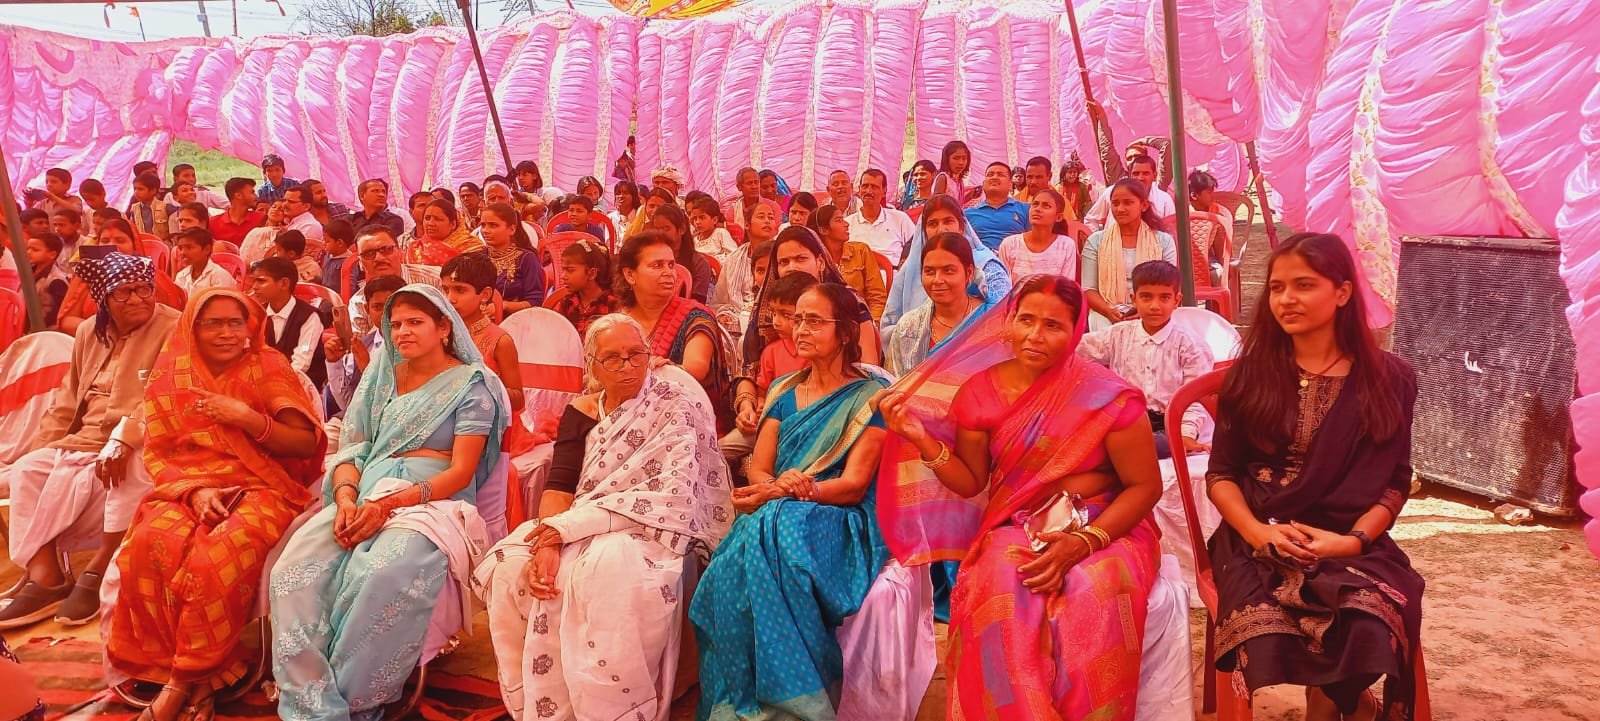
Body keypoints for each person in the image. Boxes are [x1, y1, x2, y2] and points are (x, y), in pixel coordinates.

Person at [877, 275, 1164, 721]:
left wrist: (1084, 542)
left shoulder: (1109, 398)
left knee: (1093, 592)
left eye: (1053, 325)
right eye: (1026, 320)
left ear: (1076, 330)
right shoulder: (980, 392)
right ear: (1007, 322)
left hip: (1106, 523)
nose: (1035, 335)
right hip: (1020, 522)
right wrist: (921, 438)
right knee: (998, 590)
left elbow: (1145, 487)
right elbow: (971, 481)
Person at [1205, 233, 1422, 721]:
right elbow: (1221, 475)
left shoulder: (1391, 380)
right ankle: (1349, 704)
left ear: (1342, 292)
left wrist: (1351, 542)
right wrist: (1258, 533)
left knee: (1365, 619)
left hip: (1351, 539)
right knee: (1268, 631)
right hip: (1256, 539)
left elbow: (1395, 481)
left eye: (1303, 285)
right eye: (1277, 287)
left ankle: (1328, 705)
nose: (1286, 299)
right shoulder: (1249, 376)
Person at [474, 314, 734, 721]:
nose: (626, 366)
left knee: (606, 569)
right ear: (593, 365)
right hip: (578, 520)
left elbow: (672, 495)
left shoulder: (674, 405)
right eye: (612, 358)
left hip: (652, 527)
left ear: (649, 355)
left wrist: (567, 530)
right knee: (510, 567)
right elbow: (559, 486)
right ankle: (547, 704)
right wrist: (548, 542)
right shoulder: (581, 411)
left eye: (635, 355)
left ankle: (613, 709)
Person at [270, 285, 509, 721]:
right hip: (363, 492)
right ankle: (311, 704)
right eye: (395, 324)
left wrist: (389, 506)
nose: (403, 332)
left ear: (444, 327)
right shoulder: (382, 378)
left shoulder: (472, 385)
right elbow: (353, 449)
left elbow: (461, 472)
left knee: (381, 572)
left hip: (430, 501)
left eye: (415, 322)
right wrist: (346, 498)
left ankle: (352, 705)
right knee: (293, 570)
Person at [104, 288, 327, 721]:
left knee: (216, 558)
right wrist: (194, 490)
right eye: (214, 323)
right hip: (186, 488)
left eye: (235, 322)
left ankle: (180, 682)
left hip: (262, 486)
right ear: (193, 326)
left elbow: (303, 444)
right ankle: (203, 681)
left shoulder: (267, 366)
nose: (227, 333)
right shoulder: (171, 376)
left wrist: (247, 418)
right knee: (150, 544)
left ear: (249, 326)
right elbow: (160, 455)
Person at [691, 283, 893, 721]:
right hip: (778, 506)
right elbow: (760, 470)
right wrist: (778, 487)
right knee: (724, 572)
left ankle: (801, 704)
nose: (800, 330)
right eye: (797, 320)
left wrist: (792, 490)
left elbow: (854, 484)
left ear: (844, 332)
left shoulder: (868, 398)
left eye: (814, 321)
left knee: (782, 528)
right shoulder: (784, 390)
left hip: (839, 515)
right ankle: (737, 702)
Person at [0, 253, 181, 629]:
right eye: (124, 292)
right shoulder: (87, 331)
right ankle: (47, 576)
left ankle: (98, 566)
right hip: (84, 438)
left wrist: (124, 438)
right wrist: (44, 446)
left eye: (144, 289)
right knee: (28, 469)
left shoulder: (174, 326)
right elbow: (67, 401)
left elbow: (168, 395)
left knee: (131, 466)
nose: (137, 299)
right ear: (104, 298)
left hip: (144, 434)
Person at [1077, 260, 1212, 459]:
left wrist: (1186, 435)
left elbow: (1195, 398)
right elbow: (1076, 349)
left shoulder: (1192, 346)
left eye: (1164, 297)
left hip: (1169, 426)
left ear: (1177, 301)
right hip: (1125, 421)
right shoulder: (1118, 335)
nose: (1154, 306)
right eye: (1146, 297)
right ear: (1134, 299)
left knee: (1144, 445)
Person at [615, 231, 732, 429]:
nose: (669, 272)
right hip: (623, 420)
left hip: (688, 424)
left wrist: (664, 372)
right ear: (630, 275)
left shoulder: (696, 316)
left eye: (671, 265)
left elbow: (695, 368)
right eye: (657, 265)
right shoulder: (618, 321)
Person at [884, 194, 1011, 335]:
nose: (941, 229)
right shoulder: (911, 268)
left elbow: (1003, 317)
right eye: (933, 224)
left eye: (948, 221)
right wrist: (910, 334)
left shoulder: (987, 266)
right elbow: (888, 324)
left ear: (962, 227)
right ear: (924, 231)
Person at [883, 232, 994, 377]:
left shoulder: (990, 320)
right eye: (929, 271)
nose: (937, 280)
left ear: (969, 273)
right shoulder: (908, 327)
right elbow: (895, 383)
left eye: (948, 271)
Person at [56, 220, 186, 335]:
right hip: (96, 344)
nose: (112, 246)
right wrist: (102, 330)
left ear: (134, 246)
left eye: (120, 240)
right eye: (105, 241)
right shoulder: (86, 276)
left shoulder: (154, 278)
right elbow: (66, 321)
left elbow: (164, 323)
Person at [1081, 178, 1178, 329]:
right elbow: (1089, 289)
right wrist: (1108, 312)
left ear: (1143, 205)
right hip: (1107, 311)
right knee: (1101, 325)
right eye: (1115, 203)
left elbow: (1170, 284)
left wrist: (1143, 311)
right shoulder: (1095, 241)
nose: (1120, 209)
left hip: (1152, 309)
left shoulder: (1163, 241)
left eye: (1128, 203)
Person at [441, 252, 525, 413]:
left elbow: (518, 400)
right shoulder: (439, 333)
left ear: (485, 294)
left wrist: (478, 387)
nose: (450, 299)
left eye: (460, 290)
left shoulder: (500, 341)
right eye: (445, 290)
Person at [325, 275, 406, 418]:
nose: (385, 313)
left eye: (392, 305)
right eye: (377, 307)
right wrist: (334, 363)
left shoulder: (416, 345)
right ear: (367, 309)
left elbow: (404, 404)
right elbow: (348, 403)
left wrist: (368, 369)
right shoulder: (362, 346)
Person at [247, 256, 329, 390]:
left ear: (284, 284)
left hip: (300, 386)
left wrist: (273, 385)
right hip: (263, 384)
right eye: (254, 281)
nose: (254, 287)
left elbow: (301, 365)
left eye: (261, 281)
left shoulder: (309, 316)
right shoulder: (257, 314)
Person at [813, 204, 888, 320]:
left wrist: (873, 322)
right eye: (838, 220)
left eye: (843, 219)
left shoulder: (861, 251)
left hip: (862, 319)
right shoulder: (817, 261)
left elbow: (877, 296)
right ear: (824, 230)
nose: (846, 224)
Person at [998, 187, 1079, 281]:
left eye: (1046, 206)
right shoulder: (1009, 244)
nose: (1037, 209)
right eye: (1035, 204)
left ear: (1058, 217)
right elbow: (1003, 285)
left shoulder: (1066, 245)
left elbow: (1067, 287)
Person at [845, 168, 917, 266]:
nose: (868, 191)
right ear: (859, 189)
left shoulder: (900, 219)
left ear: (884, 191)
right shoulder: (847, 224)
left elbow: (917, 247)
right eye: (865, 186)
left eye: (874, 187)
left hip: (894, 273)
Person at [1085, 154, 1176, 230]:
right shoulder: (1112, 192)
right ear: (1130, 174)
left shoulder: (1164, 199)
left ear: (1154, 176)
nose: (1140, 178)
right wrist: (1099, 241)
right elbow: (1090, 220)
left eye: (1145, 173)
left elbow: (1172, 229)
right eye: (1136, 173)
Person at [651, 202, 716, 302]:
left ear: (682, 229)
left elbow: (697, 304)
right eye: (657, 229)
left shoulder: (699, 263)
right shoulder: (650, 260)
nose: (660, 234)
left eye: (666, 228)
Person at [965, 162, 1031, 251]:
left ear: (1010, 184)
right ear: (983, 184)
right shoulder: (967, 214)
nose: (994, 177)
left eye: (1000, 174)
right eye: (990, 174)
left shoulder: (1026, 210)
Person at [1185, 169, 1232, 290]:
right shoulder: (1184, 214)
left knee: (1219, 274)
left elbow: (1217, 242)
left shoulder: (1215, 211)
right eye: (1209, 192)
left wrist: (1225, 264)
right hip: (1187, 260)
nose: (1213, 196)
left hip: (1208, 258)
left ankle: (1216, 302)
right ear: (1194, 195)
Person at [405, 198, 483, 266]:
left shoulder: (471, 247)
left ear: (453, 224)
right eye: (427, 218)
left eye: (437, 219)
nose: (430, 223)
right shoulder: (415, 247)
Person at [172, 228, 236, 295]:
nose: (182, 253)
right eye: (180, 248)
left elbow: (221, 301)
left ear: (207, 249)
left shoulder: (219, 276)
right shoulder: (181, 276)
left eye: (189, 247)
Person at [210, 177, 266, 248]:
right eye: (252, 192)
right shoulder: (213, 223)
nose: (256, 197)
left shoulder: (261, 219)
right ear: (238, 195)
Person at [26, 233, 68, 327]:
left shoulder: (56, 281)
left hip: (44, 329)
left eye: (35, 250)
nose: (28, 252)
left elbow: (55, 313)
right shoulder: (28, 272)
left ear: (52, 254)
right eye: (27, 248)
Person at [689, 196, 738, 264]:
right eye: (695, 218)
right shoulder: (694, 240)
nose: (697, 222)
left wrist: (714, 261)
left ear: (714, 220)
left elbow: (734, 255)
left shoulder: (720, 233)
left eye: (702, 218)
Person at [128, 172, 177, 240]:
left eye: (140, 189)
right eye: (135, 189)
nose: (136, 192)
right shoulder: (134, 209)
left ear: (153, 191)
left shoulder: (166, 208)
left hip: (163, 244)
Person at [282, 185, 326, 259]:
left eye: (291, 202)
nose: (284, 205)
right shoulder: (290, 221)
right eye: (284, 200)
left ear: (306, 206)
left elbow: (293, 255)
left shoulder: (310, 226)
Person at [320, 219, 360, 292]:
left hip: (338, 297)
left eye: (327, 241)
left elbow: (350, 288)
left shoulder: (349, 263)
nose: (323, 243)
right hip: (326, 294)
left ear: (339, 243)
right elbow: (325, 279)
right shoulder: (327, 256)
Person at [48, 208, 86, 276]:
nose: (57, 229)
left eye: (61, 225)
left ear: (76, 226)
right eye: (55, 225)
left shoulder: (86, 244)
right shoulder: (54, 245)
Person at [1057, 153, 1093, 221]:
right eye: (1070, 172)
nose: (1073, 174)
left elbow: (1088, 202)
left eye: (1075, 172)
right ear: (1064, 174)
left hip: (1079, 220)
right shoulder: (1058, 187)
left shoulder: (1082, 186)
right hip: (1062, 220)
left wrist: (1084, 215)